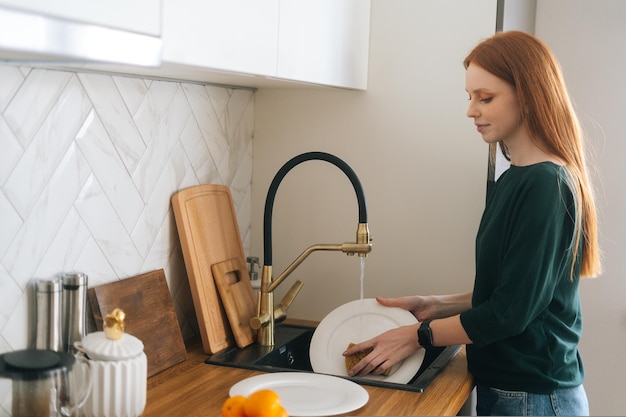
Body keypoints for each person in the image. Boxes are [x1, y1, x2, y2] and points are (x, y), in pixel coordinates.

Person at [343, 30, 602, 416]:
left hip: (535, 398)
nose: (471, 110)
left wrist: (417, 336)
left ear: (529, 95)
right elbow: (513, 291)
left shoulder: (546, 184)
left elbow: (511, 313)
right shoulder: (517, 177)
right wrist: (433, 305)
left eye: (486, 98)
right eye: (470, 98)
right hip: (518, 391)